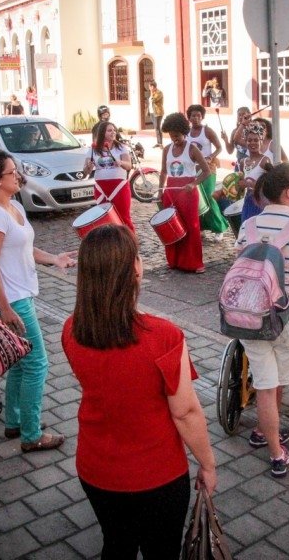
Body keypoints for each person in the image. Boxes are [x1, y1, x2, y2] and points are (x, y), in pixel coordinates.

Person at [62, 225, 218, 558]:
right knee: (160, 550)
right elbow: (186, 411)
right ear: (135, 268)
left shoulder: (72, 328)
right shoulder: (163, 337)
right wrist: (208, 464)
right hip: (157, 474)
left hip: (96, 467)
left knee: (116, 543)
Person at [0, 151, 75, 452]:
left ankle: (15, 422)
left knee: (20, 363)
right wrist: (4, 308)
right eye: (12, 172)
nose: (18, 175)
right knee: (38, 363)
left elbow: (25, 248)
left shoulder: (13, 206)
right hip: (11, 299)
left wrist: (55, 259)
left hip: (20, 294)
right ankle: (31, 433)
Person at [234, 164, 289, 478]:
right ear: (288, 192)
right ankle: (276, 452)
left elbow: (241, 268)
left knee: (265, 384)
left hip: (251, 314)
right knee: (275, 385)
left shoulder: (248, 227)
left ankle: (262, 429)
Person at [158, 113, 211, 273]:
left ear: (184, 132)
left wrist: (194, 183)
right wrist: (161, 190)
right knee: (171, 226)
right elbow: (163, 172)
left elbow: (206, 171)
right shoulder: (166, 149)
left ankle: (194, 262)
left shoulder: (192, 149)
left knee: (191, 226)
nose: (174, 139)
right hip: (171, 191)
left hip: (188, 192)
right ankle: (174, 260)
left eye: (177, 135)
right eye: (171, 136)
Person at [185, 104, 228, 241]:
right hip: (193, 170)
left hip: (208, 169)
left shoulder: (207, 131)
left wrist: (211, 156)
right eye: (193, 115)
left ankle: (220, 227)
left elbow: (219, 147)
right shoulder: (186, 133)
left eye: (198, 115)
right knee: (197, 199)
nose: (196, 118)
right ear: (189, 117)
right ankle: (201, 227)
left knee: (209, 197)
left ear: (202, 117)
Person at [83, 121, 135, 232]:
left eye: (114, 130)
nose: (113, 132)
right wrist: (89, 166)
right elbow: (85, 172)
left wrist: (120, 162)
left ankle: (131, 245)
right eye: (110, 130)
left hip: (119, 187)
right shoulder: (93, 149)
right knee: (105, 220)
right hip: (101, 189)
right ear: (102, 133)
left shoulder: (121, 147)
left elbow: (129, 165)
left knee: (124, 218)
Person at [240, 125, 274, 223]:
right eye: (249, 140)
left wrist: (251, 184)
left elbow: (271, 184)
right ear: (246, 142)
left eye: (256, 140)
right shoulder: (243, 161)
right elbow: (242, 183)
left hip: (261, 201)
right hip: (248, 200)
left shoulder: (265, 161)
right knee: (246, 227)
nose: (253, 143)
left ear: (261, 141)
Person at [149, 81, 164, 147]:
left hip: (158, 113)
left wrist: (152, 93)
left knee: (157, 127)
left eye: (150, 86)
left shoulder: (159, 93)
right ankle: (158, 142)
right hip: (152, 112)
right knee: (156, 127)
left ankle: (160, 143)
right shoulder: (152, 93)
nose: (149, 88)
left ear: (153, 86)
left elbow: (154, 100)